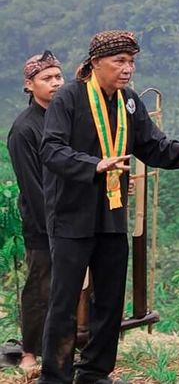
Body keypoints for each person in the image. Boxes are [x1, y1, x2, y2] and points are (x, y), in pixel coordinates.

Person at [38, 30, 179, 384]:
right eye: (119, 61)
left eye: (132, 62)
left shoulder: (129, 102)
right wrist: (93, 165)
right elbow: (51, 150)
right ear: (95, 63)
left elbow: (153, 146)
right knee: (64, 302)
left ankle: (94, 372)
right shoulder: (69, 99)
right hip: (71, 215)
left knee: (109, 301)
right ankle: (55, 376)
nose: (127, 69)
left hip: (111, 214)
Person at [7, 51, 64, 373]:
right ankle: (29, 352)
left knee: (71, 286)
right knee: (40, 286)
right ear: (30, 85)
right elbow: (33, 187)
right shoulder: (24, 129)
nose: (55, 83)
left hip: (73, 218)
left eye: (58, 76)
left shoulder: (66, 117)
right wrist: (52, 228)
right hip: (42, 222)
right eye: (47, 78)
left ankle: (64, 348)